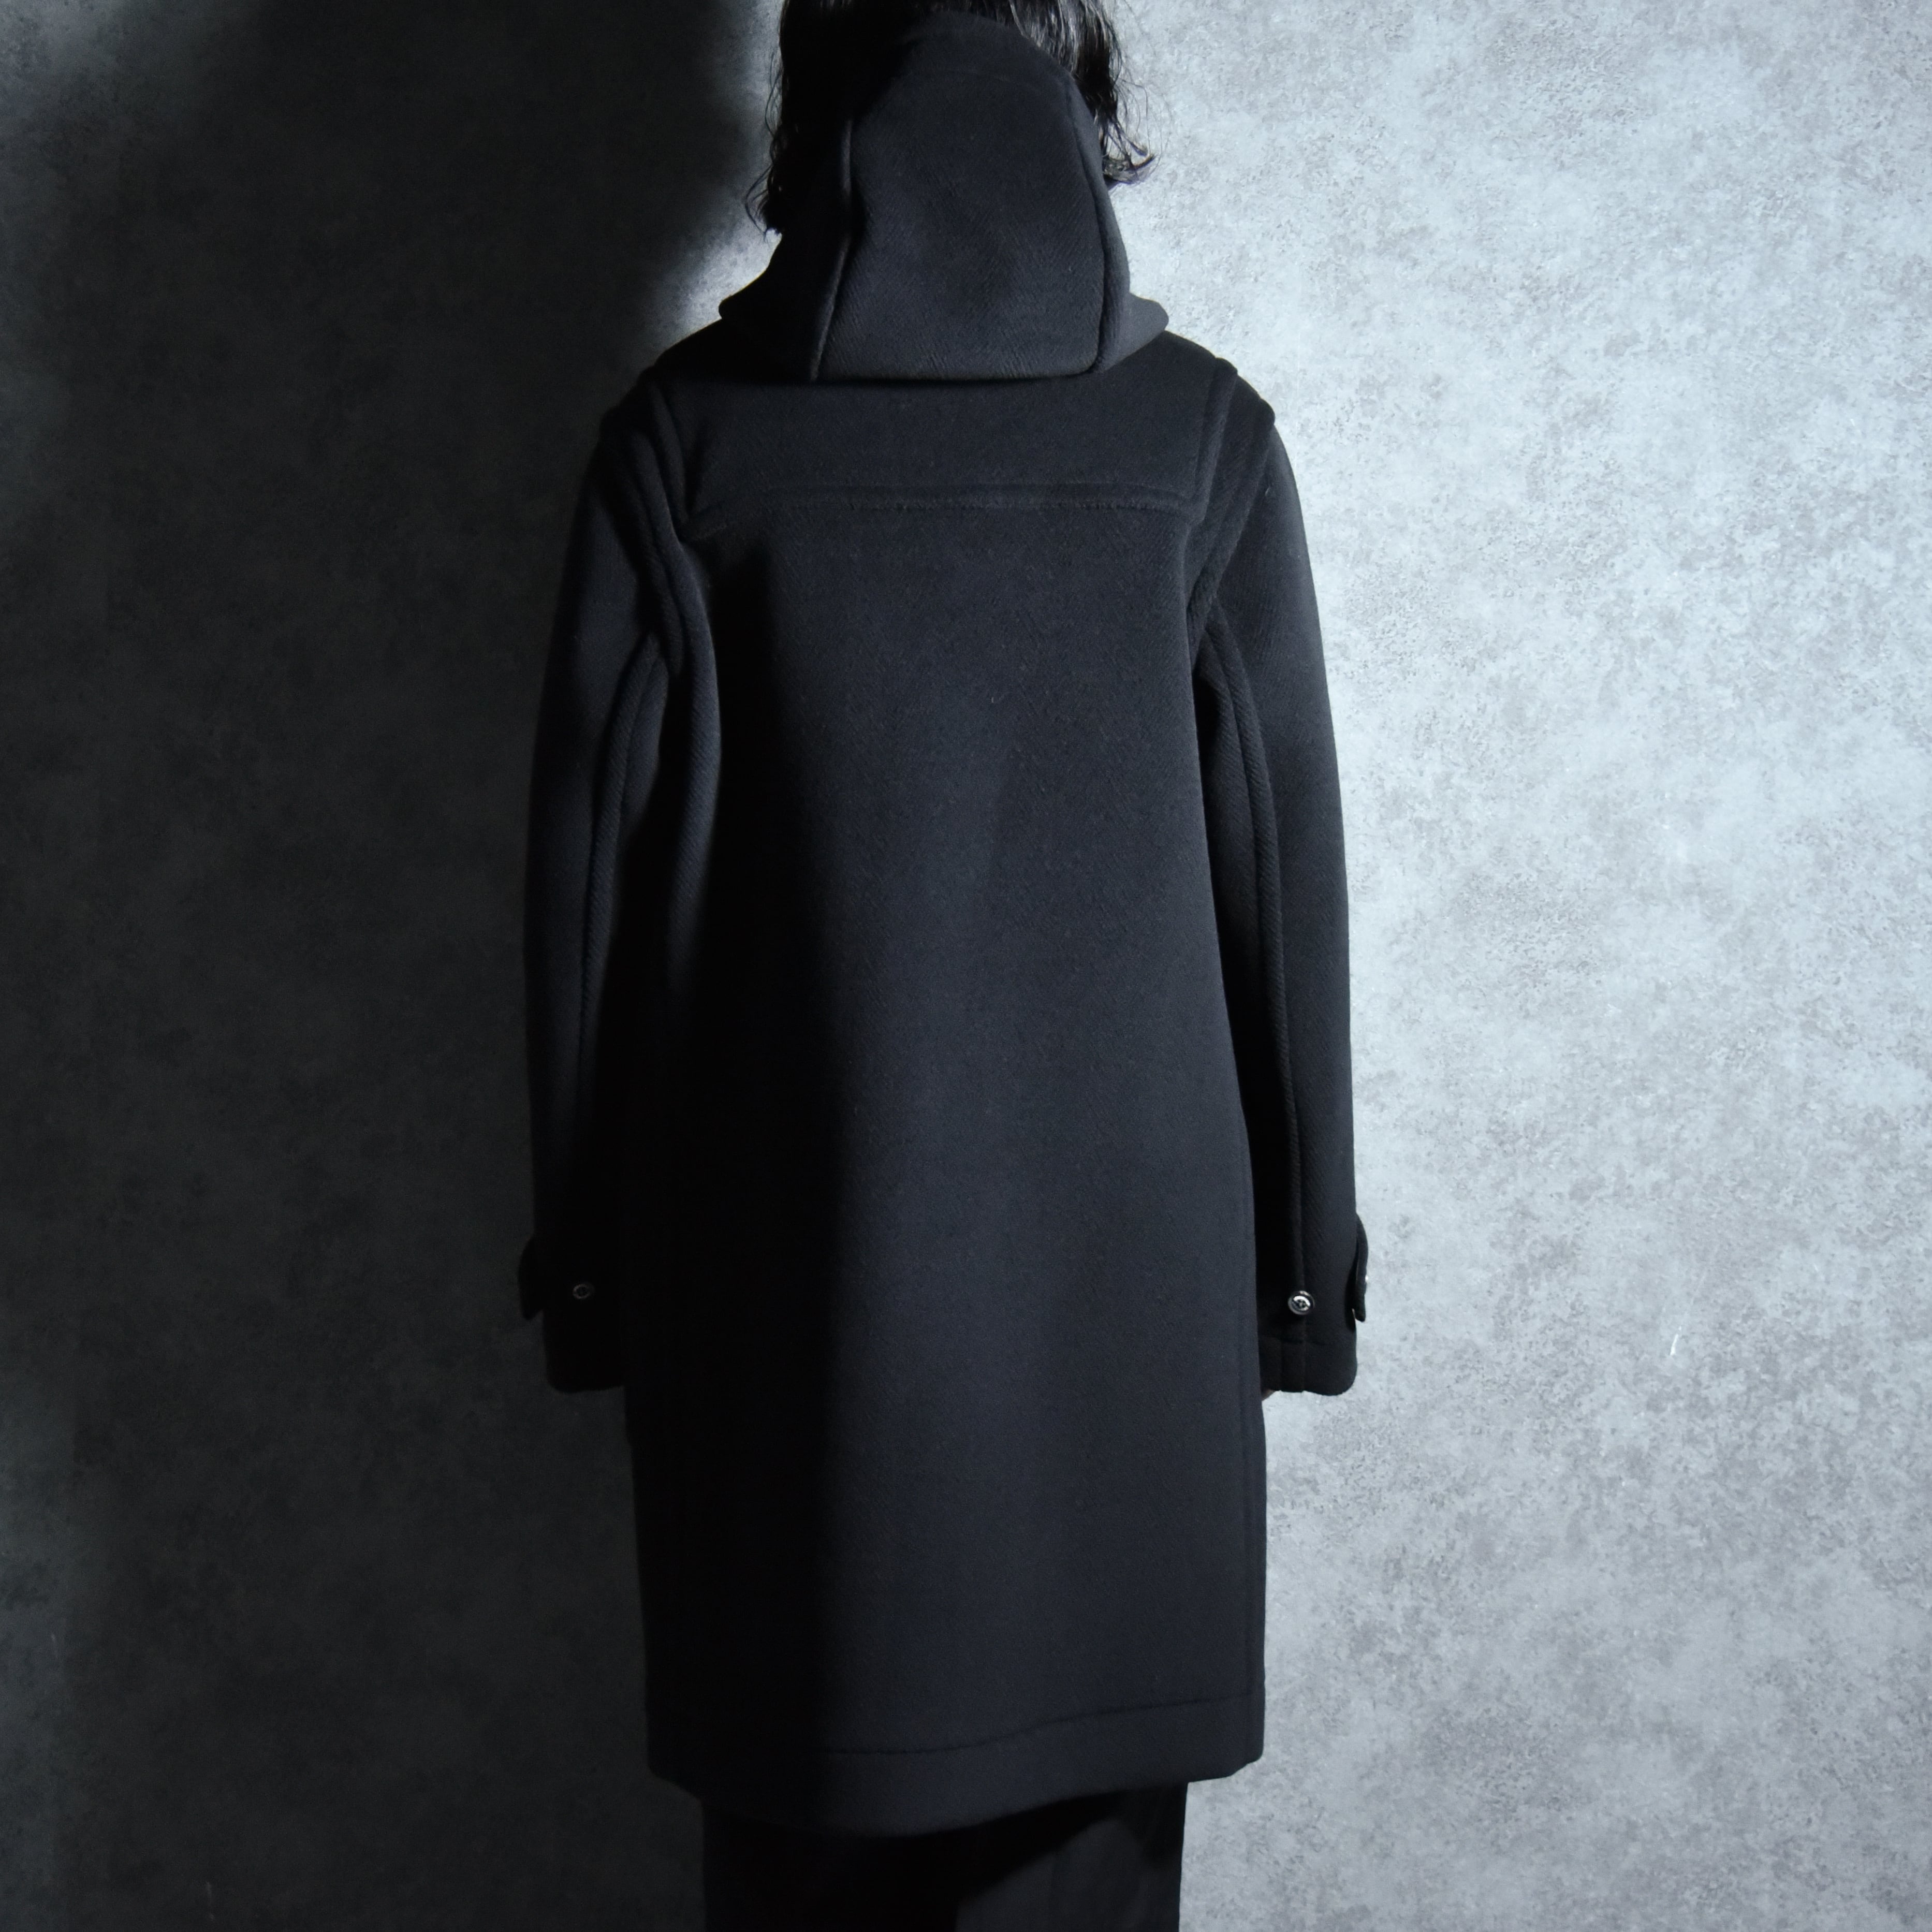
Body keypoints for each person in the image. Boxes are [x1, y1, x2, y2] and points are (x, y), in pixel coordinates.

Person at [517, 2, 1367, 1924]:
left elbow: (582, 903)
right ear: (1082, 97)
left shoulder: (684, 446)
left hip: (787, 1342)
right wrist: (1301, 1273)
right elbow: (1282, 882)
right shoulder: (1198, 443)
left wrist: (587, 1271)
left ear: (814, 109)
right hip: (1126, 1352)